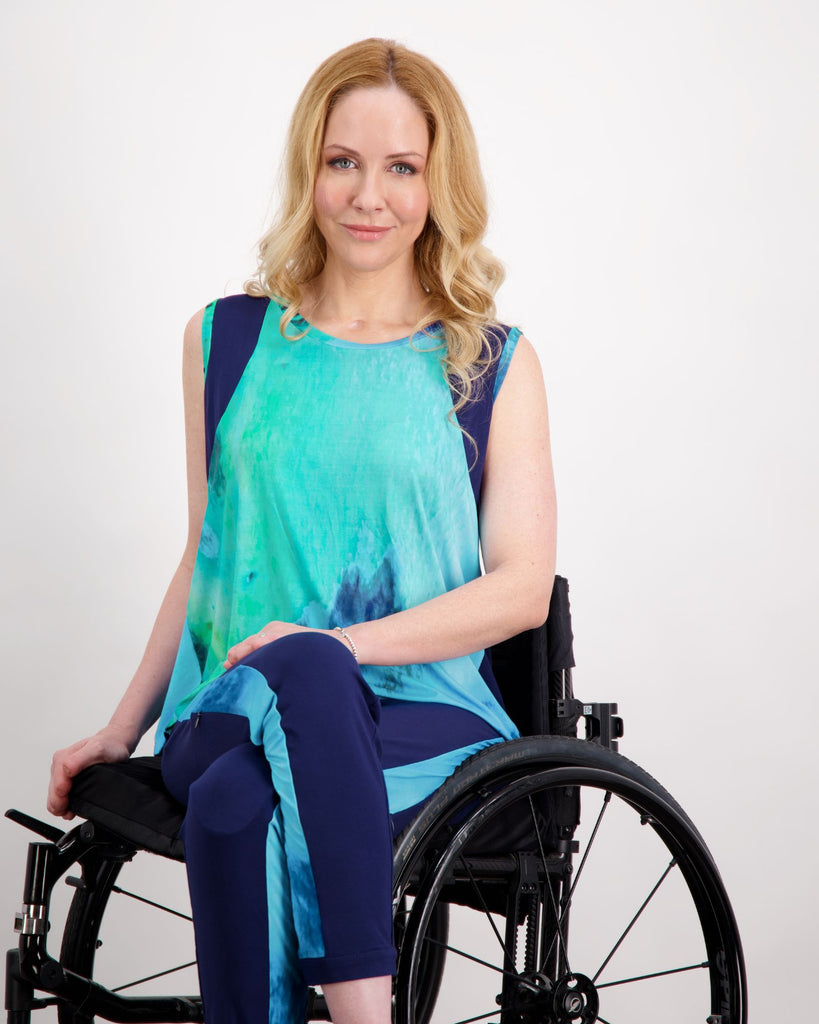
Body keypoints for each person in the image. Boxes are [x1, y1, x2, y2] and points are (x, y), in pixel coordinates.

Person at [47, 37, 556, 1024]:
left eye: (402, 168)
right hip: (234, 701)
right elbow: (205, 556)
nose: (371, 195)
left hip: (422, 716)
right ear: (309, 171)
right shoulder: (224, 341)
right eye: (343, 162)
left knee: (242, 797)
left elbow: (521, 586)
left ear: (436, 183)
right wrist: (123, 726)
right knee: (286, 696)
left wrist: (331, 646)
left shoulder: (492, 363)